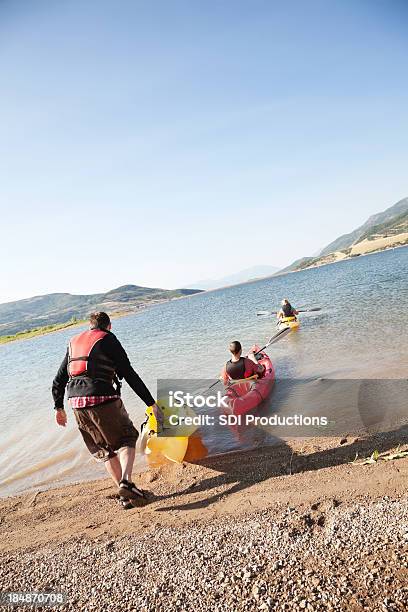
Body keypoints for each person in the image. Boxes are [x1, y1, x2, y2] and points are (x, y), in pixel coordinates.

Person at [52, 311, 162, 508]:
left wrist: (58, 407)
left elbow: (59, 379)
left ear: (90, 326)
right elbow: (128, 373)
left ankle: (125, 497)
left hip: (76, 403)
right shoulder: (108, 339)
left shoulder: (73, 342)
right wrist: (150, 403)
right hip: (101, 397)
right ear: (108, 326)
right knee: (127, 438)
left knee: (103, 449)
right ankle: (127, 482)